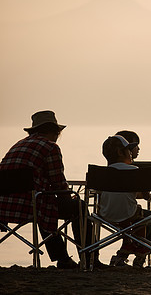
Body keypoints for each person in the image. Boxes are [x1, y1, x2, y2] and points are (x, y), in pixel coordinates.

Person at [0, 110, 105, 269]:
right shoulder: (50, 147)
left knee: (45, 204)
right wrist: (69, 197)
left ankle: (62, 259)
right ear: (56, 131)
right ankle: (90, 258)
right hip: (31, 206)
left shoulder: (18, 145)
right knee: (77, 207)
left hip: (3, 207)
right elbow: (58, 183)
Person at [99, 135, 151, 268]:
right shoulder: (134, 171)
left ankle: (127, 247)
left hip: (104, 215)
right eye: (128, 150)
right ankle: (141, 252)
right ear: (120, 153)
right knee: (150, 216)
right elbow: (146, 196)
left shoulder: (102, 173)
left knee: (133, 216)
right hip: (129, 214)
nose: (131, 153)